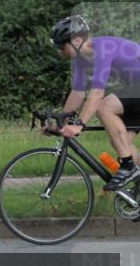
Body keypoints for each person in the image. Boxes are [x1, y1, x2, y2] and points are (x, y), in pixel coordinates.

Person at [51, 15, 140, 192]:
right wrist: (60, 122)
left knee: (104, 107)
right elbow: (77, 93)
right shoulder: (80, 59)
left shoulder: (104, 49)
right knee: (122, 144)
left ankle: (128, 167)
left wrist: (80, 124)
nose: (60, 51)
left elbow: (97, 94)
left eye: (62, 46)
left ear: (76, 40)